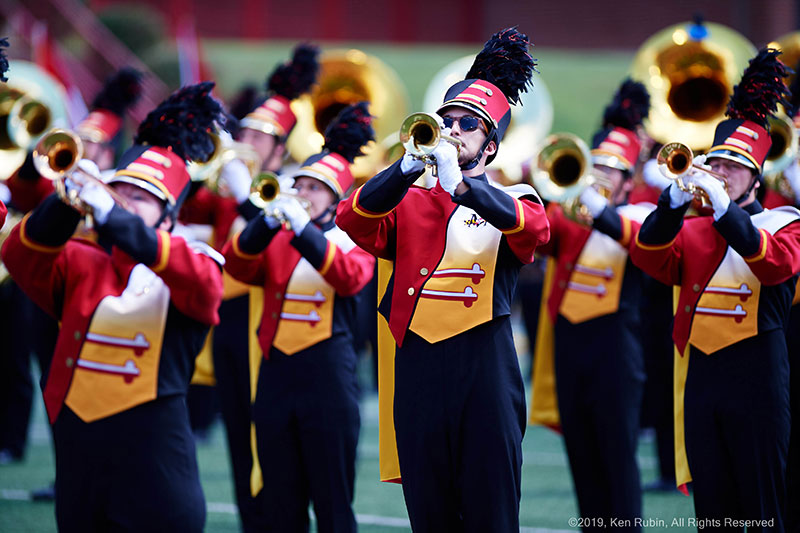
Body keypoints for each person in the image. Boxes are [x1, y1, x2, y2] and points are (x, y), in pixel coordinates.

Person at [337, 27, 550, 531]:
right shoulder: (408, 199)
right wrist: (403, 170)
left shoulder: (515, 198)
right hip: (419, 370)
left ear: (490, 146)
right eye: (446, 120)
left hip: (485, 372)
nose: (453, 130)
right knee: (430, 514)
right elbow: (353, 219)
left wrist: (465, 188)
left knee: (492, 515)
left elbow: (534, 232)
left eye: (468, 124)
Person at [1, 82, 226, 532]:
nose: (125, 200)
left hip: (154, 455)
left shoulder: (195, 261)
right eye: (119, 190)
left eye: (141, 197)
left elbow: (201, 285)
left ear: (168, 216)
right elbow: (20, 256)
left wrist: (112, 215)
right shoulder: (83, 260)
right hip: (81, 448)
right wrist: (66, 201)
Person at [630, 49, 800, 530]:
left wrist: (726, 210)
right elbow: (648, 256)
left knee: (763, 508)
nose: (722, 172)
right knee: (713, 512)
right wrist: (671, 203)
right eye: (718, 162)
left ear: (756, 176)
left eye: (735, 165)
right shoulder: (693, 229)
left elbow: (775, 265)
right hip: (701, 378)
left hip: (758, 379)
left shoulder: (785, 223)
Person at [179, 42, 320, 532]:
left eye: (262, 136)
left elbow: (277, 240)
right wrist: (199, 158)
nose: (249, 141)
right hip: (227, 320)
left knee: (271, 434)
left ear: (280, 149)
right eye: (247, 132)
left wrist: (245, 196)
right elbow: (185, 208)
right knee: (238, 431)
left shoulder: (293, 188)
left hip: (268, 319)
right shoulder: (227, 184)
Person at [223, 102, 375, 532]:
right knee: (280, 505)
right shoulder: (279, 236)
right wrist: (264, 223)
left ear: (336, 198)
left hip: (329, 379)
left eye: (315, 187)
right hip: (275, 375)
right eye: (300, 184)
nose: (303, 193)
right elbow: (237, 265)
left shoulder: (352, 240)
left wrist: (303, 230)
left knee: (333, 504)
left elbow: (348, 278)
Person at [530, 79, 651, 530]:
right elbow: (540, 237)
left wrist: (594, 207)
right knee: (581, 454)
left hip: (615, 349)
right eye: (595, 164)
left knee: (617, 455)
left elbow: (637, 240)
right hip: (569, 345)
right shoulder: (570, 215)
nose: (600, 174)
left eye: (611, 169)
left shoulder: (640, 215)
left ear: (628, 181)